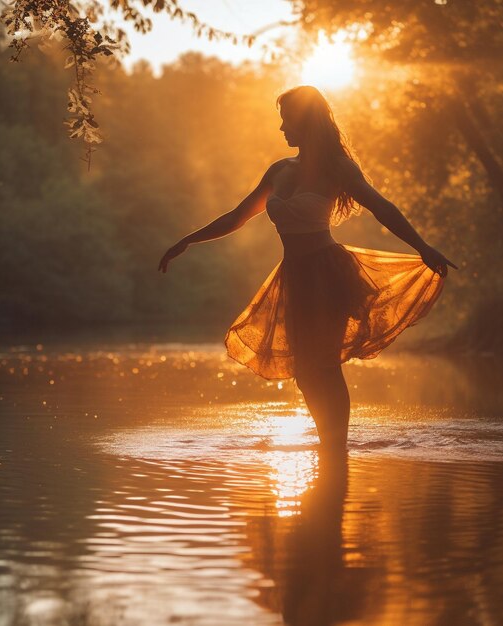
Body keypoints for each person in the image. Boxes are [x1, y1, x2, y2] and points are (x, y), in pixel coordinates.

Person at [158, 85, 457, 454]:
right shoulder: (280, 171)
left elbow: (383, 208)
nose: (282, 129)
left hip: (328, 275)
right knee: (305, 371)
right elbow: (237, 217)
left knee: (325, 366)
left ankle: (337, 449)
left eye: (287, 120)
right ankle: (330, 446)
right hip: (295, 278)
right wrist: (187, 240)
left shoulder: (338, 168)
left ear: (305, 120)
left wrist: (422, 247)